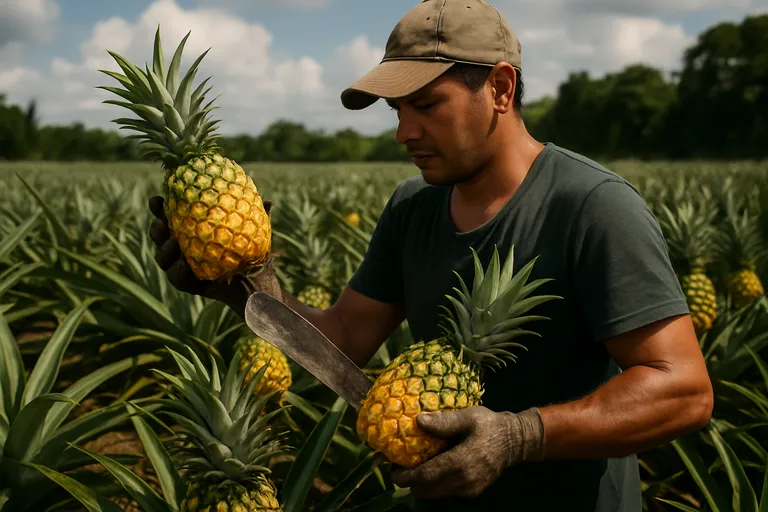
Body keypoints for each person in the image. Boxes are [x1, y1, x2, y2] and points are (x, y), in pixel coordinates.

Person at [148, 0, 714, 510]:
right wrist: (248, 290)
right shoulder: (412, 206)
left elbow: (683, 389)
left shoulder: (593, 206)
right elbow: (343, 337)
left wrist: (519, 437)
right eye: (397, 110)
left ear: (500, 88)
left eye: (425, 104)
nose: (403, 131)